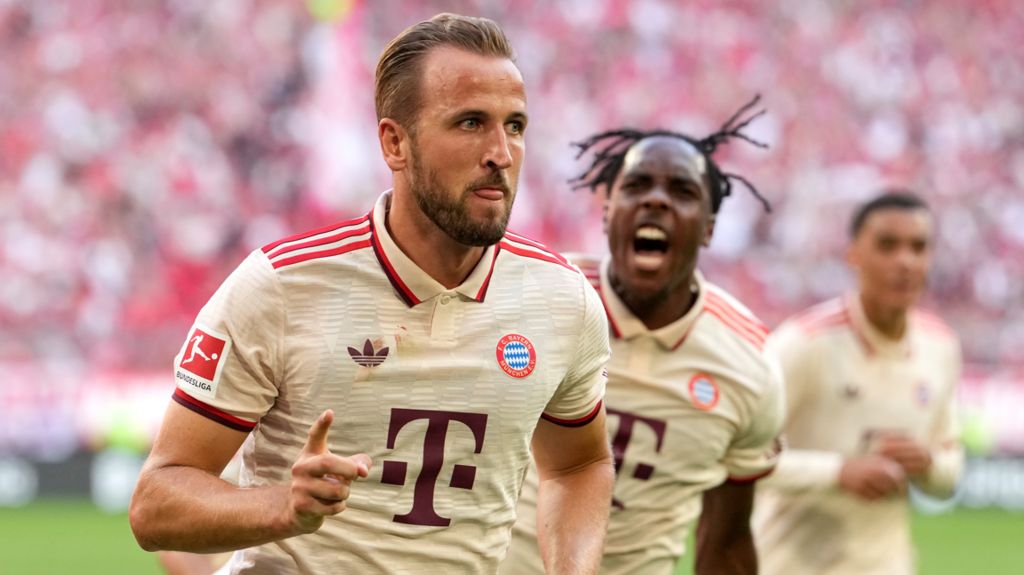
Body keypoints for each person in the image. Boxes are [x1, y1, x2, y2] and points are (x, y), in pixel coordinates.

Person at [129, 13, 615, 574]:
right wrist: (281, 507)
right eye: (470, 123)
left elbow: (579, 466)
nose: (501, 153)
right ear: (395, 143)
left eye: (516, 125)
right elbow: (155, 503)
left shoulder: (563, 301)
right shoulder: (281, 287)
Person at [500, 97, 785, 575]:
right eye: (636, 186)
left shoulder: (749, 361)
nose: (656, 200)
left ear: (710, 228)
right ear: (608, 213)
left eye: (682, 191)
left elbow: (727, 539)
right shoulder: (533, 299)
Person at [752, 191, 964, 575]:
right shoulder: (804, 344)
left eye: (919, 247)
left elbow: (950, 472)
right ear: (853, 254)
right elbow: (740, 458)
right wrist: (837, 472)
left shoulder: (941, 347)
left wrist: (928, 463)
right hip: (790, 564)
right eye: (887, 245)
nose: (905, 261)